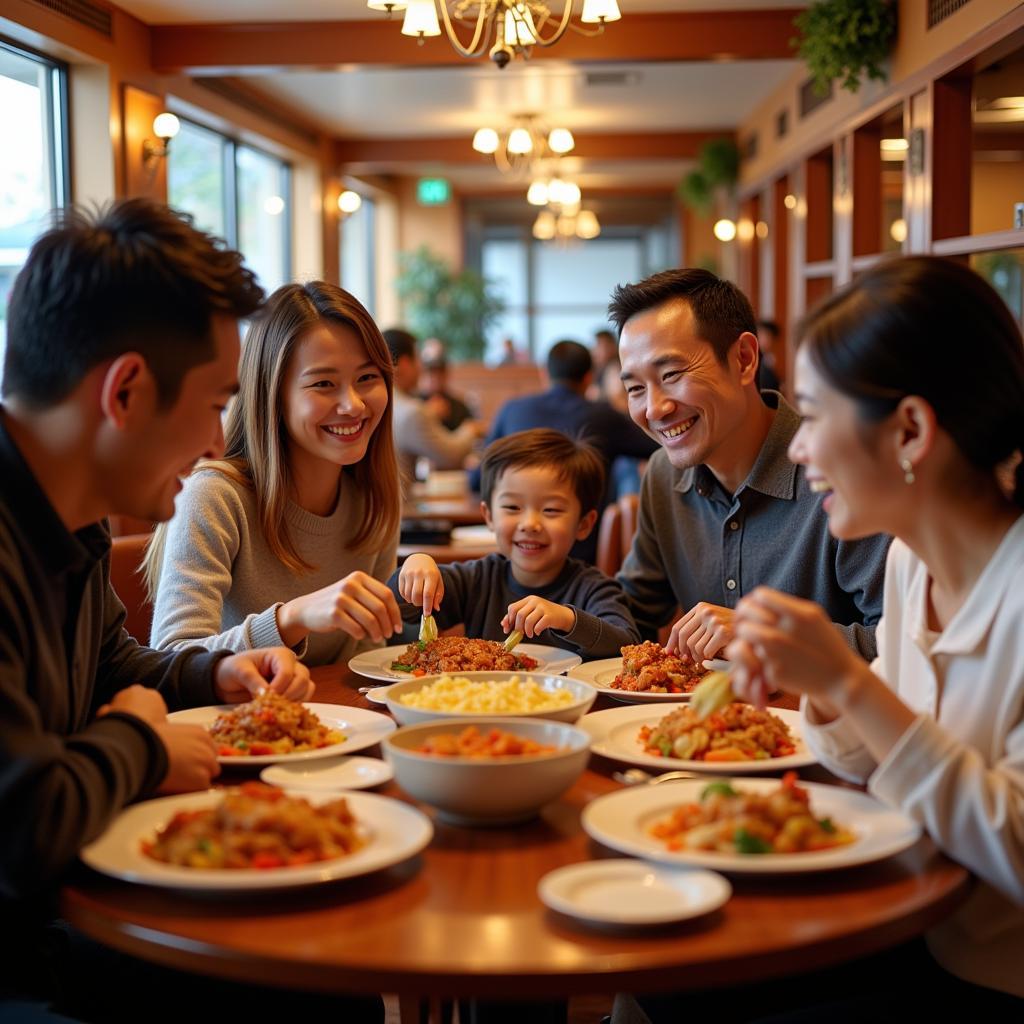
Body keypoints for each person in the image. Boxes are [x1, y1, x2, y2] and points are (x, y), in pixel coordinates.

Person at [0, 200, 324, 1019]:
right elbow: (19, 830)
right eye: (217, 399)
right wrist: (139, 741)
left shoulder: (64, 517)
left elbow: (116, 668)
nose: (219, 440)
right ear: (128, 391)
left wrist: (218, 670)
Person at [727, 256, 1024, 1011]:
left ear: (911, 431)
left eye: (815, 416)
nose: (797, 447)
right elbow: (877, 760)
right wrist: (822, 692)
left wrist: (846, 679)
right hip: (902, 925)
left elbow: (1015, 850)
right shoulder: (908, 561)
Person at [611, 268, 890, 663]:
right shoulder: (664, 473)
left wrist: (765, 633)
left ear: (744, 359)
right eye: (635, 388)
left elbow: (901, 644)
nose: (655, 408)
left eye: (671, 375)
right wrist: (566, 615)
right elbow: (632, 614)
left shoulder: (837, 470)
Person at [146, 282, 403, 667]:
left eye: (367, 378)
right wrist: (291, 620)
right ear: (272, 395)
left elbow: (369, 654)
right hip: (231, 721)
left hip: (340, 721)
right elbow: (171, 660)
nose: (353, 404)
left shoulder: (374, 496)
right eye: (323, 384)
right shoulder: (215, 495)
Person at [392, 428, 640, 658]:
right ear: (489, 516)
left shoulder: (594, 588)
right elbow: (400, 608)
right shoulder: (477, 579)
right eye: (512, 507)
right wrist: (414, 568)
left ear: (584, 524)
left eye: (551, 509)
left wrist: (567, 619)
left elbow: (626, 644)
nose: (530, 523)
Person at [472, 339, 658, 562]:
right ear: (589, 378)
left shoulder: (512, 409)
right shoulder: (604, 415)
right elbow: (659, 447)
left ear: (544, 374)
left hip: (517, 553)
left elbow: (477, 479)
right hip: (583, 553)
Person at [383, 327, 480, 482]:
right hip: (401, 503)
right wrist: (471, 429)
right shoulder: (411, 411)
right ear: (405, 363)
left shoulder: (385, 401)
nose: (421, 369)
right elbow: (450, 456)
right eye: (418, 360)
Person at [418, 345, 475, 431]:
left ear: (446, 375)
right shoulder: (415, 403)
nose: (435, 378)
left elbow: (471, 427)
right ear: (423, 375)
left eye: (440, 373)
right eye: (431, 373)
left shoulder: (459, 406)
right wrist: (429, 413)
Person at [757, 317, 782, 393]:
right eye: (765, 335)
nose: (768, 340)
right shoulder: (752, 361)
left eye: (770, 337)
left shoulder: (768, 361)